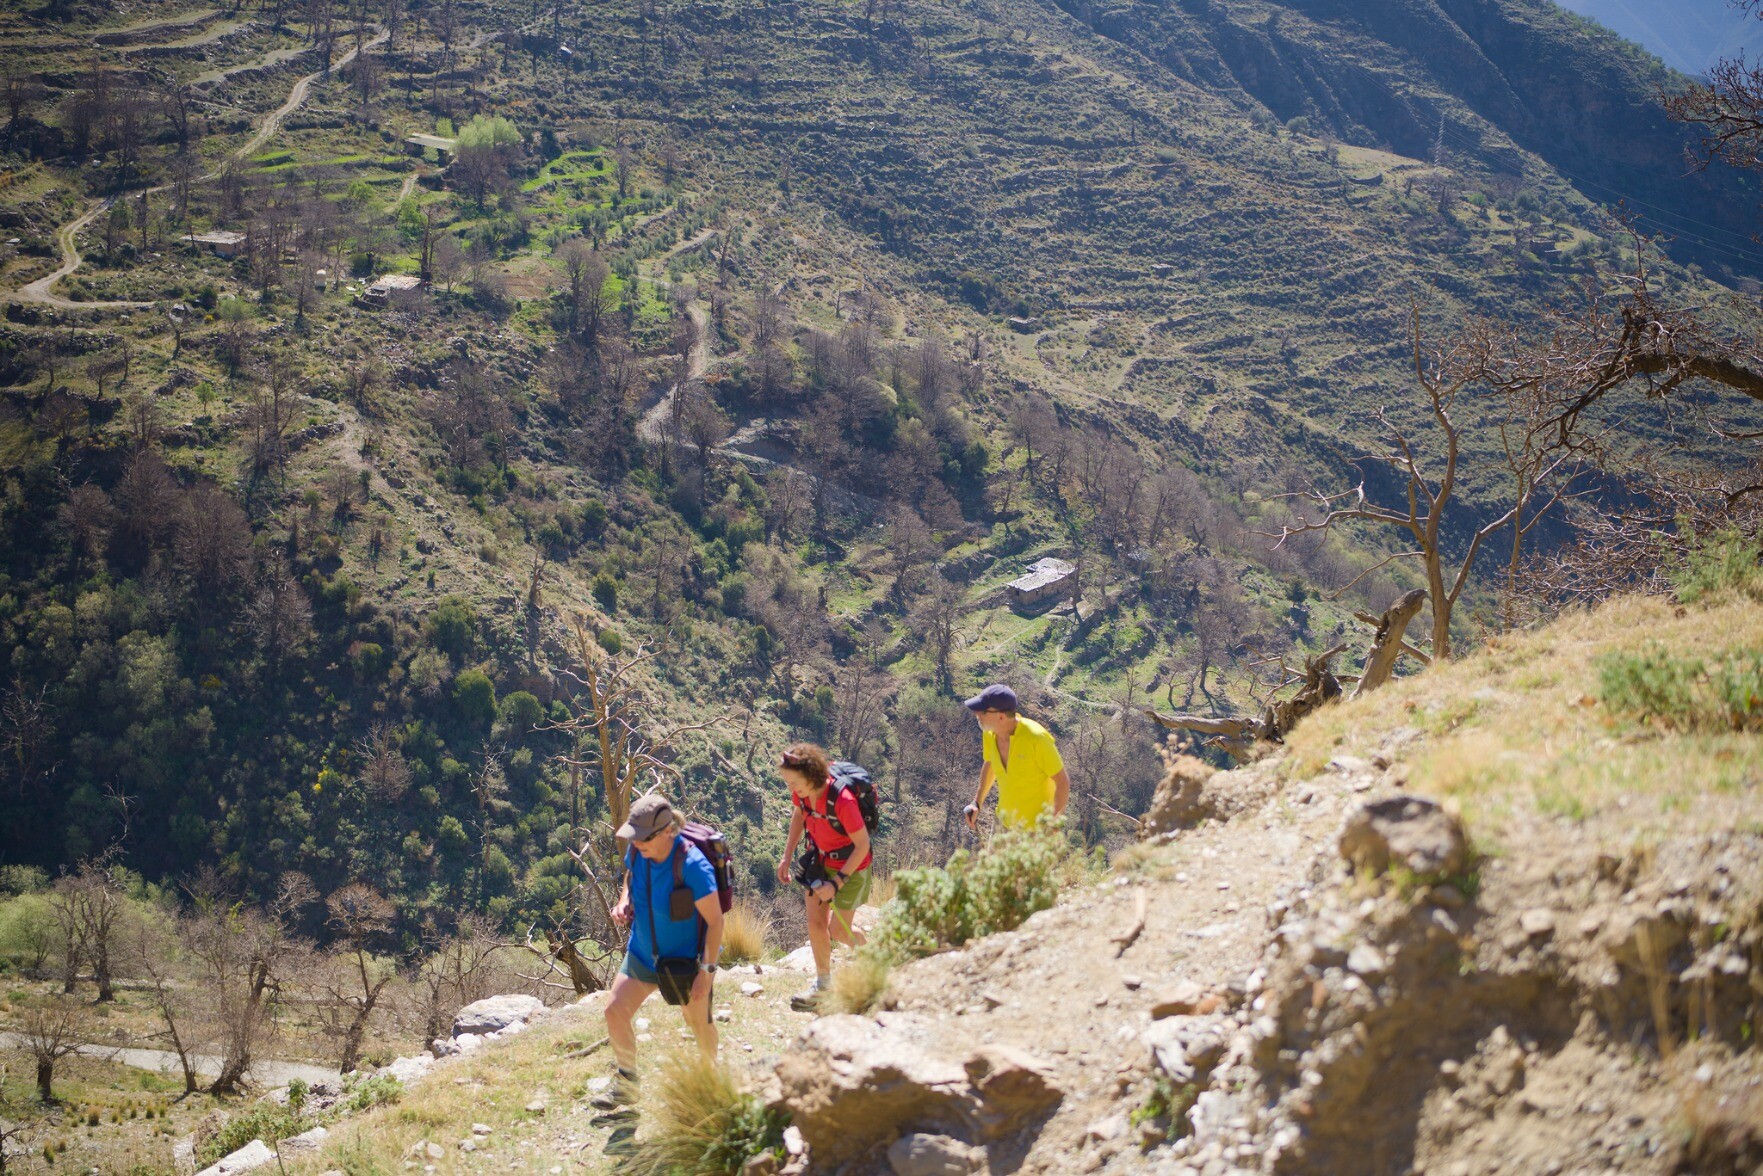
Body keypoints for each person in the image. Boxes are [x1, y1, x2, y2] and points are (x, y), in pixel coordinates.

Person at [595, 793, 723, 1126]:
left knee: (699, 1024)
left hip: (685, 963)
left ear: (667, 831)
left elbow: (715, 921)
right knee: (614, 1011)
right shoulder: (639, 853)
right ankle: (627, 1083)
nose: (636, 846)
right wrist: (624, 901)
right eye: (633, 839)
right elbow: (630, 877)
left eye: (642, 839)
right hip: (642, 952)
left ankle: (711, 1080)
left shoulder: (693, 866)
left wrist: (706, 973)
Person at [775, 742, 872, 1012]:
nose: (791, 789)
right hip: (819, 860)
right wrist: (787, 855)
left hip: (851, 868)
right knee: (816, 924)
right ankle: (823, 985)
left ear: (811, 775)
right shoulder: (804, 794)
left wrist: (836, 883)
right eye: (788, 782)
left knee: (838, 930)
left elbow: (862, 845)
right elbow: (799, 815)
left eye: (794, 782)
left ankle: (867, 953)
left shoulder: (842, 800)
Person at [962, 684, 1071, 832]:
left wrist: (1053, 827)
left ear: (1000, 716)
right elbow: (991, 764)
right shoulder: (989, 733)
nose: (977, 714)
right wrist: (977, 803)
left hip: (1036, 831)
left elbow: (1062, 782)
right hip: (1003, 824)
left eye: (983, 711)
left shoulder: (1036, 738)